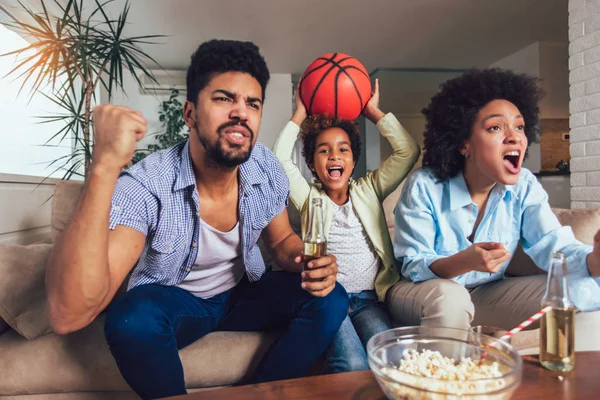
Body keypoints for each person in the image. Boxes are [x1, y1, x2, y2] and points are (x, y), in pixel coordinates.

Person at [45, 39, 349, 399]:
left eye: (252, 103)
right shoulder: (147, 184)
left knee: (331, 298)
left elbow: (282, 242)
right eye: (224, 99)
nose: (241, 112)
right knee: (133, 319)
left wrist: (309, 264)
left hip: (241, 294)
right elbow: (69, 315)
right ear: (190, 113)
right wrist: (103, 166)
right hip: (177, 302)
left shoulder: (265, 166)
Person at [388, 68, 600, 331]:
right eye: (496, 127)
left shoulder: (523, 185)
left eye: (520, 127)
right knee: (451, 298)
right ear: (464, 143)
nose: (514, 136)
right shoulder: (425, 185)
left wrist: (594, 260)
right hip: (420, 292)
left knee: (586, 288)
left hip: (487, 293)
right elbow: (414, 266)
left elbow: (552, 244)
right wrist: (465, 260)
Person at [273, 79, 420, 373]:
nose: (335, 156)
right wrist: (299, 113)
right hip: (329, 299)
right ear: (313, 165)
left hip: (369, 301)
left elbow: (408, 151)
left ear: (353, 161)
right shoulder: (309, 199)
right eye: (324, 151)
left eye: (343, 150)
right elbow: (278, 160)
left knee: (395, 361)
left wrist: (373, 112)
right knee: (353, 364)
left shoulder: (370, 189)